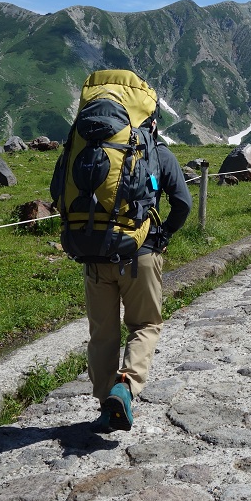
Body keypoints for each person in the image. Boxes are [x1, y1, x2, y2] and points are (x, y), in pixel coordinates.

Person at [85, 110, 192, 433]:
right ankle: (126, 387)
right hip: (140, 254)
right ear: (152, 122)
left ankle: (107, 405)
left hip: (95, 255)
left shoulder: (91, 150)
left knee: (102, 334)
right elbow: (182, 203)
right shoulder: (157, 152)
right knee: (145, 324)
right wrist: (163, 236)